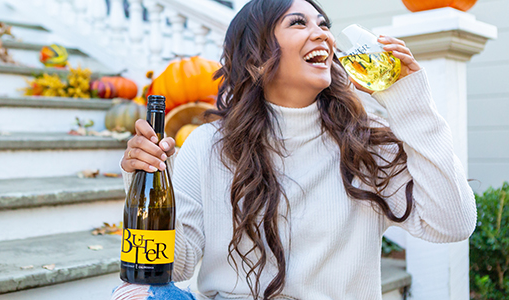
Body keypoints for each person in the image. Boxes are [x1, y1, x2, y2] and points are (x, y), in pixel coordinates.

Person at [112, 0, 477, 299]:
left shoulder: (365, 142)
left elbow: (452, 223)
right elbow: (175, 265)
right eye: (299, 23)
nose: (322, 34)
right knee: (131, 295)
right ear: (256, 55)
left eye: (323, 24)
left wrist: (411, 104)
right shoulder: (208, 145)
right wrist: (144, 183)